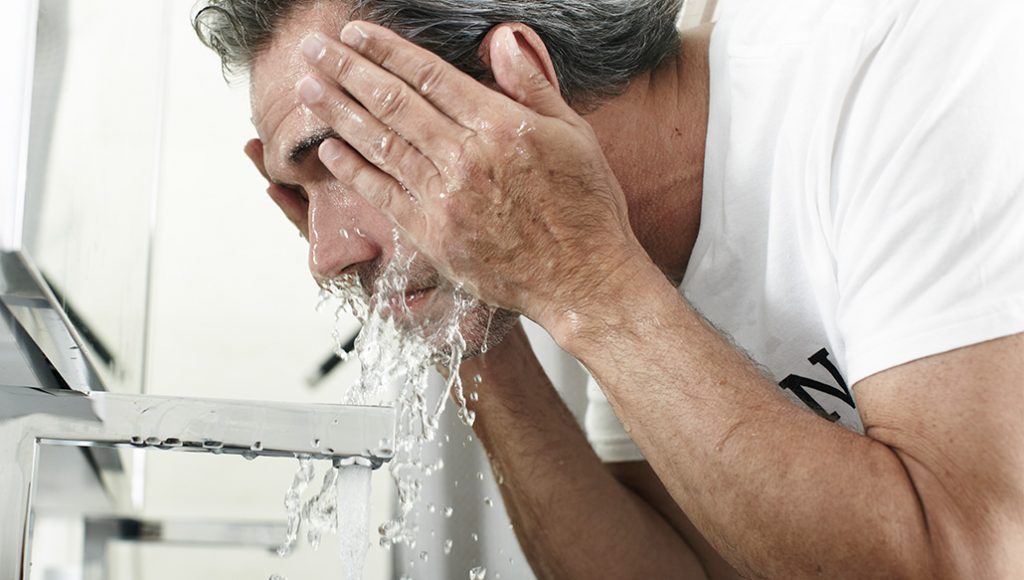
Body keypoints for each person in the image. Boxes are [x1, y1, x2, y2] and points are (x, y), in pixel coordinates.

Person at [194, 0, 1024, 577]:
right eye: (304, 192)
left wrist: (586, 283)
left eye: (342, 160)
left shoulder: (903, 65)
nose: (324, 255)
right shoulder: (615, 247)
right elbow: (681, 568)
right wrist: (467, 332)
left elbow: (971, 558)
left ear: (516, 80)